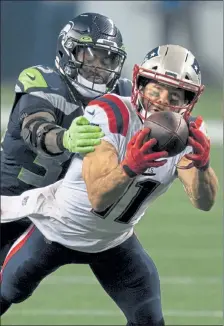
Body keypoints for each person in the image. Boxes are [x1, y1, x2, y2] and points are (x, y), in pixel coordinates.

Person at [0, 45, 218, 325]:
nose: (163, 101)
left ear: (188, 100)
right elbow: (98, 198)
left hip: (114, 241)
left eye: (175, 94)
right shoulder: (110, 112)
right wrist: (131, 167)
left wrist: (202, 166)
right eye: (156, 90)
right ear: (140, 84)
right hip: (55, 230)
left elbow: (203, 202)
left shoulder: (185, 133)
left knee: (149, 319)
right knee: (7, 291)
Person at [0, 12, 131, 266]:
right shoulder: (44, 81)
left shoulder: (120, 94)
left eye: (108, 59)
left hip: (57, 212)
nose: (99, 67)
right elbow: (34, 128)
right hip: (10, 203)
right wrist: (64, 139)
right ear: (68, 51)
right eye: (90, 56)